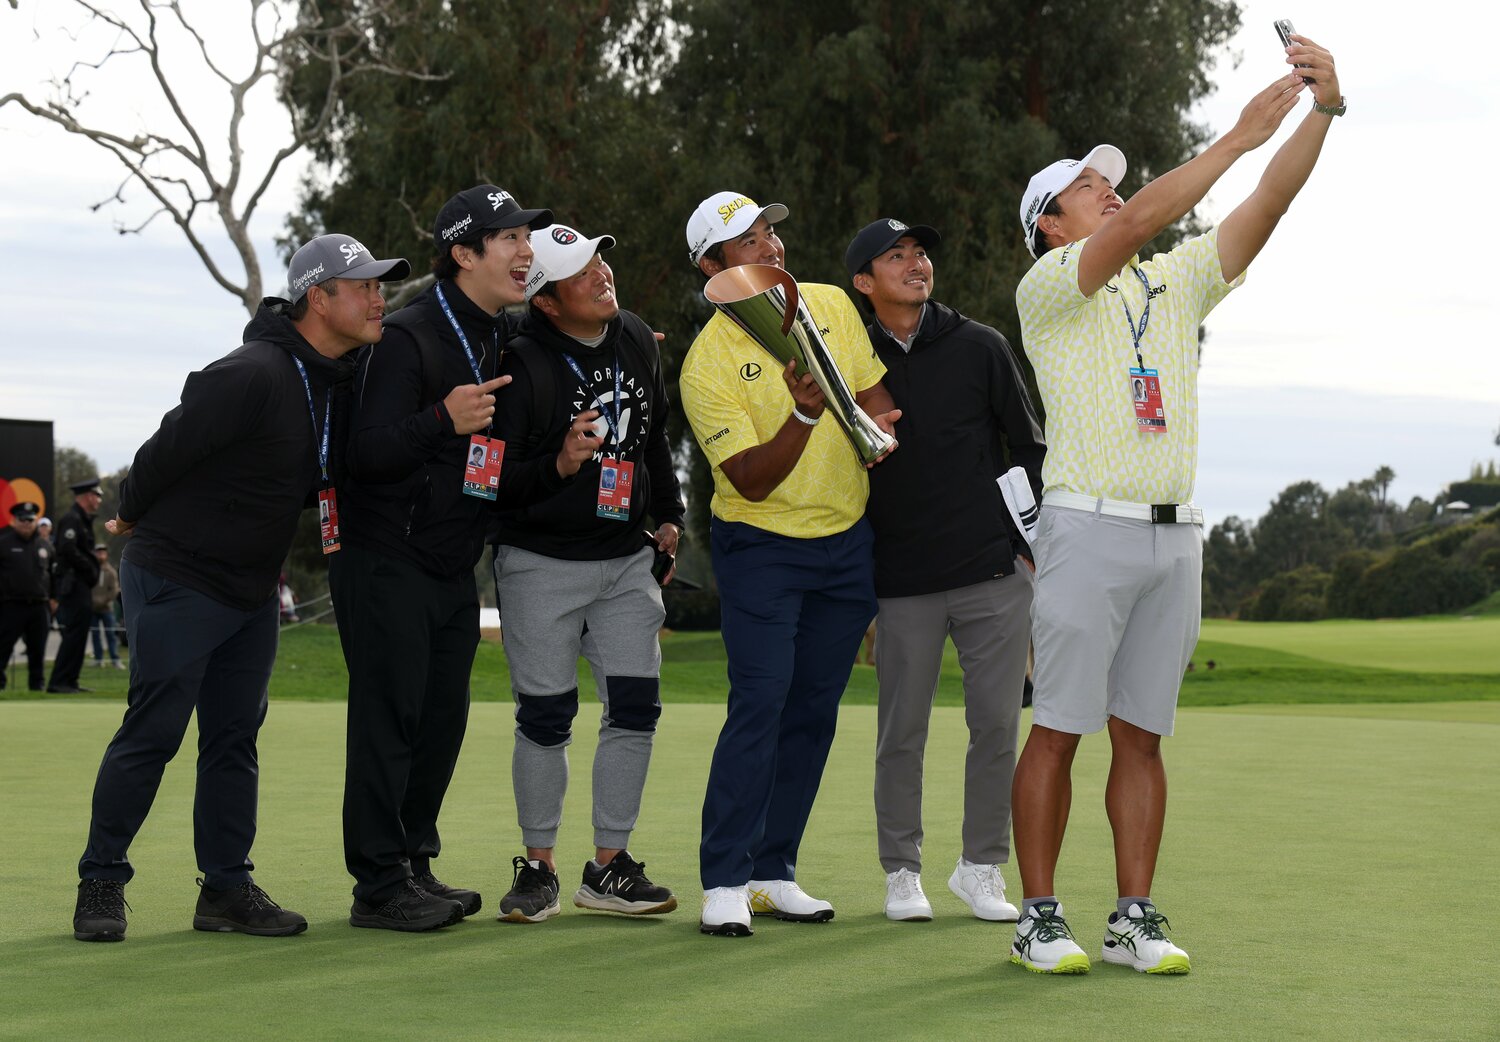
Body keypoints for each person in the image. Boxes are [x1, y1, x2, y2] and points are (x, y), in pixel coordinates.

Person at [1007, 38, 1344, 975]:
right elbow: (1148, 214)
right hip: (1084, 525)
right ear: (1050, 224)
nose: (1107, 191)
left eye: (1107, 182)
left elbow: (1267, 205)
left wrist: (1323, 112)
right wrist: (1233, 137)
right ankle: (1039, 916)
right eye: (1086, 186)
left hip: (1172, 537)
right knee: (1061, 728)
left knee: (1142, 736)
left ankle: (1133, 917)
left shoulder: (1172, 279)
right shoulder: (1048, 288)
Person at [72, 233, 409, 942]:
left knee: (233, 739)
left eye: (381, 286)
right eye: (365, 286)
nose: (380, 298)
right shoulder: (251, 373)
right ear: (319, 298)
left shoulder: (338, 379)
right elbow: (163, 453)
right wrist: (129, 511)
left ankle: (225, 889)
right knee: (154, 732)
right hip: (178, 574)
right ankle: (101, 879)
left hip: (251, 588)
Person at [679, 190, 900, 937]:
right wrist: (806, 415)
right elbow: (750, 479)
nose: (770, 245)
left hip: (846, 541)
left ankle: (774, 870)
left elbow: (873, 390)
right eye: (748, 240)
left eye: (770, 230)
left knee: (812, 710)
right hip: (762, 547)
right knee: (762, 702)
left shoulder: (833, 302)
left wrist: (878, 420)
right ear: (712, 269)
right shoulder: (707, 363)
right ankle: (724, 878)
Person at [332, 184, 550, 932]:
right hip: (386, 559)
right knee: (388, 722)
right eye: (510, 239)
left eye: (528, 237)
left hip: (453, 563)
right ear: (463, 253)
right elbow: (360, 456)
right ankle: (378, 886)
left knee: (440, 724)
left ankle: (414, 864)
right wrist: (440, 420)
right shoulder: (406, 337)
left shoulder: (498, 335)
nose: (527, 251)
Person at [845, 218, 1045, 923]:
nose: (915, 263)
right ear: (863, 282)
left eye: (921, 253)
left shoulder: (980, 345)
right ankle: (902, 872)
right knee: (902, 732)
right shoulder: (845, 357)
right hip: (900, 581)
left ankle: (982, 868)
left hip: (992, 573)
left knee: (996, 726)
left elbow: (1028, 446)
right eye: (895, 257)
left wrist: (1024, 545)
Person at [487, 222, 686, 923]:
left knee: (634, 709)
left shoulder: (632, 333)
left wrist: (669, 511)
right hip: (540, 564)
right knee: (545, 717)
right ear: (545, 301)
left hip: (626, 561)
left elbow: (653, 431)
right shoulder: (517, 361)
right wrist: (561, 466)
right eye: (580, 271)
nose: (602, 274)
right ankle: (537, 866)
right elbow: (490, 482)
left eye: (601, 258)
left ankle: (607, 867)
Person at [47, 478, 103, 693]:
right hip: (73, 583)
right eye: (97, 495)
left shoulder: (81, 519)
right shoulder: (72, 519)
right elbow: (68, 549)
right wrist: (90, 568)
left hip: (80, 584)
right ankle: (59, 681)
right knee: (73, 633)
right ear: (88, 496)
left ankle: (70, 680)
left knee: (79, 633)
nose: (98, 500)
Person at [0, 501, 52, 692]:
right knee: (3, 648)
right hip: (11, 606)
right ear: (15, 521)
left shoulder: (45, 545)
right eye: (22, 520)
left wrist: (54, 599)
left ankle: (37, 688)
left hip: (39, 606)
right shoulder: (4, 544)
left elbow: (53, 574)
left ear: (35, 521)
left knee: (37, 651)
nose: (26, 524)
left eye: (30, 520)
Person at [90, 544, 124, 669]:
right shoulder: (91, 569)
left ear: (106, 554)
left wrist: (102, 601)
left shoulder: (110, 571)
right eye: (98, 552)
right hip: (92, 608)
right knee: (95, 635)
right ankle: (98, 659)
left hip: (106, 608)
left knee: (111, 634)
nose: (100, 555)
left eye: (103, 552)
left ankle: (115, 659)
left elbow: (114, 590)